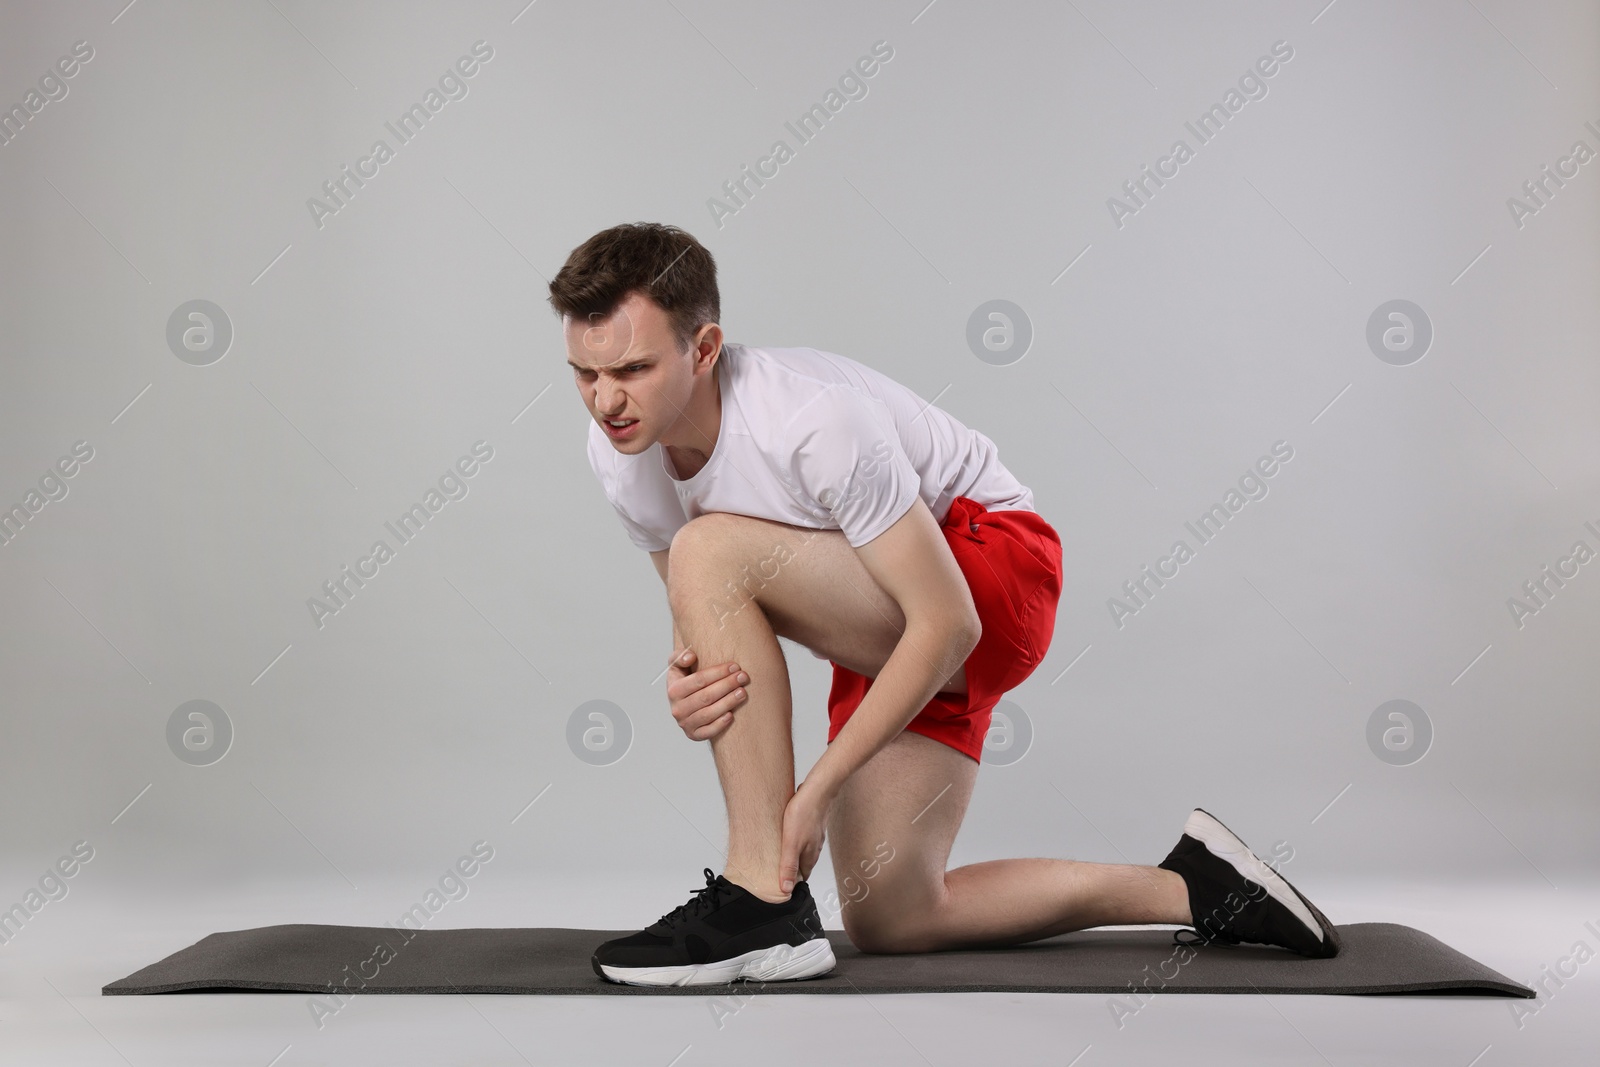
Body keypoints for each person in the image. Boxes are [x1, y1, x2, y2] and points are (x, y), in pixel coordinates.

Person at [552, 222, 1341, 987]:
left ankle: (760, 894)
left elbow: (951, 623)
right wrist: (688, 682)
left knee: (707, 545)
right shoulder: (619, 457)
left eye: (632, 370)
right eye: (586, 376)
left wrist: (815, 791)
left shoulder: (808, 417)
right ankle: (1203, 887)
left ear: (704, 348)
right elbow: (704, 619)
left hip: (987, 573)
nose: (606, 401)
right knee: (892, 916)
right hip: (886, 610)